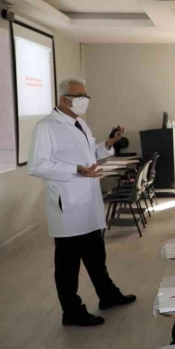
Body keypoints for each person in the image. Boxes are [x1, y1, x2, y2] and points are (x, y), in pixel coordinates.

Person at [28, 77, 136, 326]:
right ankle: (72, 311)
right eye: (79, 96)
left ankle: (107, 295)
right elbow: (37, 165)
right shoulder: (46, 127)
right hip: (68, 205)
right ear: (64, 99)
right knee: (67, 264)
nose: (85, 101)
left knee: (96, 254)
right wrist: (76, 169)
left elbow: (90, 156)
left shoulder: (80, 124)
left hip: (88, 202)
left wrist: (108, 144)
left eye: (86, 96)